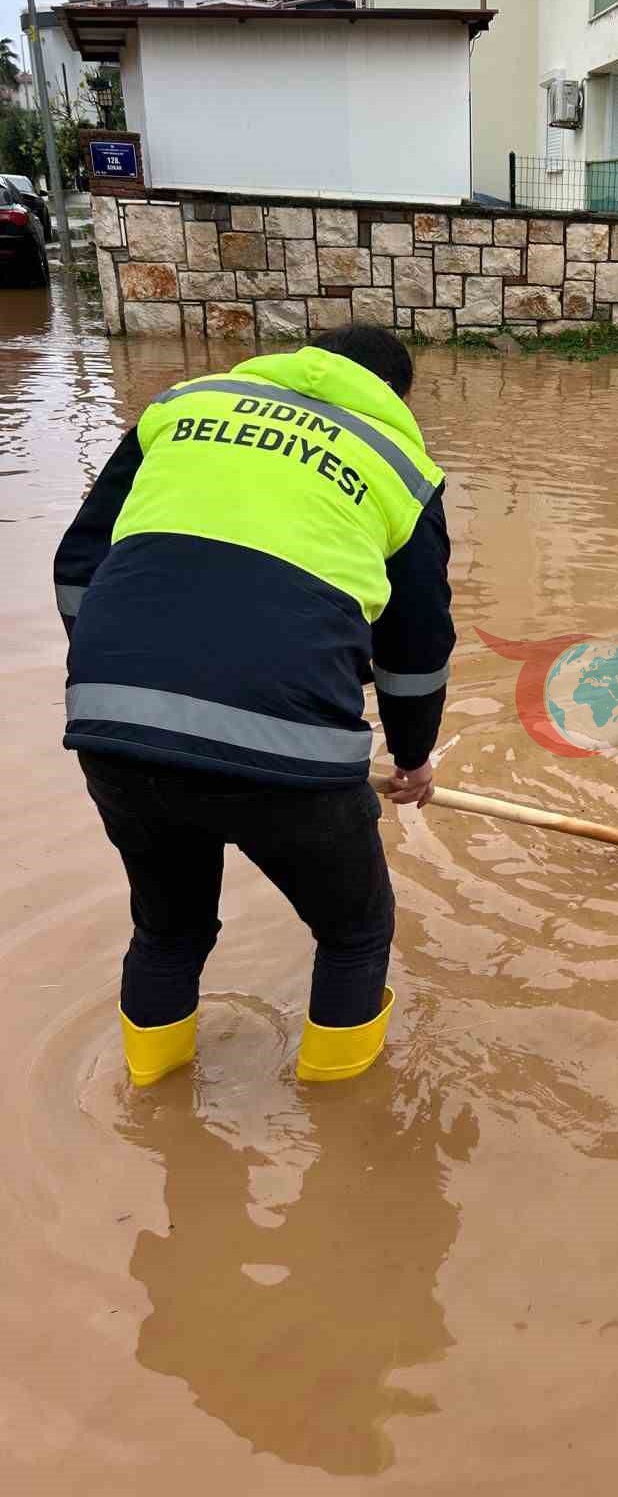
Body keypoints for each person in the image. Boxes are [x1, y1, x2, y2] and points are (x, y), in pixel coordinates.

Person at [53, 326, 455, 1088]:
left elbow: (78, 566)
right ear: (396, 398)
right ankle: (340, 1135)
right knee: (353, 932)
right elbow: (415, 653)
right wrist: (410, 760)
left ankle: (155, 1105)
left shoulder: (181, 407)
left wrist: (113, 675)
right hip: (291, 748)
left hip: (113, 723)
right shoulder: (400, 467)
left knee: (168, 933)